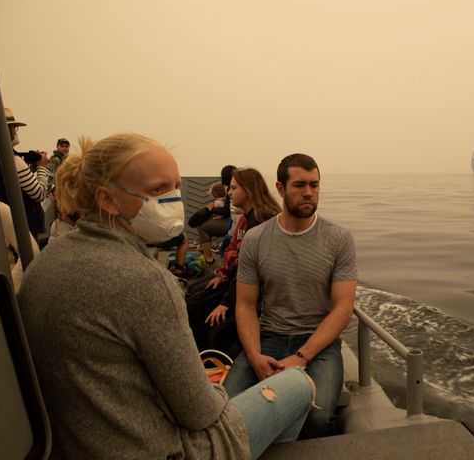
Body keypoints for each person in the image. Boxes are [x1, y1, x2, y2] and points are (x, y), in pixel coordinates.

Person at [18, 134, 315, 459]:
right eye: (158, 190)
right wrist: (213, 390)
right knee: (299, 384)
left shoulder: (47, 260)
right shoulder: (145, 280)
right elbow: (199, 413)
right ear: (107, 199)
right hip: (161, 448)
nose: (174, 199)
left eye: (174, 187)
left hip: (86, 439)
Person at [223, 153, 358, 438]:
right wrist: (254, 355)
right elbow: (245, 304)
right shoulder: (256, 239)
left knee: (318, 417)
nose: (309, 192)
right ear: (281, 189)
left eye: (314, 185)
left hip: (319, 344)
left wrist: (301, 356)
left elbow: (343, 308)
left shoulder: (339, 239)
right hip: (269, 337)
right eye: (299, 185)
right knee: (226, 410)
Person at [188, 167, 281, 354]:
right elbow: (241, 261)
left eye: (233, 188)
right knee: (193, 293)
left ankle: (206, 359)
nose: (229, 193)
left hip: (258, 293)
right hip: (241, 281)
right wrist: (223, 274)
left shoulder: (262, 221)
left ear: (248, 190)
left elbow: (249, 269)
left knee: (199, 313)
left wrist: (225, 303)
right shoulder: (249, 218)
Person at [4, 107, 49, 237]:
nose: (14, 132)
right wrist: (42, 167)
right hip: (22, 229)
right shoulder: (14, 160)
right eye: (13, 128)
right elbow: (39, 194)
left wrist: (29, 171)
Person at [198, 165, 234, 264]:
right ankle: (206, 251)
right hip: (232, 220)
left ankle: (208, 258)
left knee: (202, 227)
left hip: (231, 223)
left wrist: (211, 209)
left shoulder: (230, 189)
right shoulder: (236, 187)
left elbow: (226, 211)